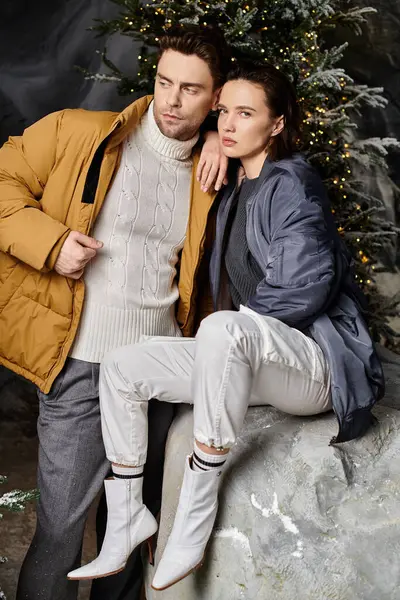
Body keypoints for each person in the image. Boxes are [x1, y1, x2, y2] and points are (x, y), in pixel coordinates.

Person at [66, 62, 385, 589]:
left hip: (315, 364)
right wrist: (213, 135)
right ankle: (126, 519)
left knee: (221, 330)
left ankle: (194, 514)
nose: (229, 124)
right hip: (262, 357)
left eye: (246, 113)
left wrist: (235, 333)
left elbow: (309, 282)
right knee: (124, 365)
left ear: (277, 124)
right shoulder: (236, 188)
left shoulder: (292, 183)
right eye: (223, 113)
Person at [0, 25, 231, 600]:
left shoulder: (214, 174)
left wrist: (217, 144)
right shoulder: (78, 133)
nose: (171, 101)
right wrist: (52, 244)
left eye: (191, 90)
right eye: (163, 82)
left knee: (130, 532)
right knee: (60, 531)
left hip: (157, 371)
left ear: (217, 98)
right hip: (81, 365)